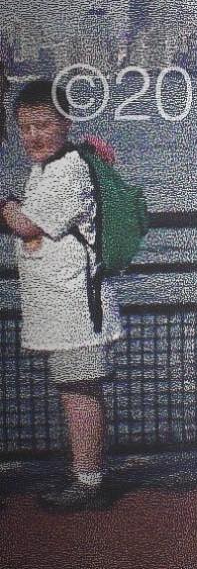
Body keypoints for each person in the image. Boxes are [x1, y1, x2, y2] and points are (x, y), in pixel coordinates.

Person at [0, 79, 122, 510]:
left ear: (66, 123)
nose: (33, 135)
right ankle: (85, 474)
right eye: (25, 127)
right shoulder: (49, 167)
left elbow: (29, 225)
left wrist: (6, 208)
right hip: (64, 307)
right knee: (74, 390)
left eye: (43, 125)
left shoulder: (70, 169)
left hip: (78, 309)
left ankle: (89, 483)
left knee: (79, 392)